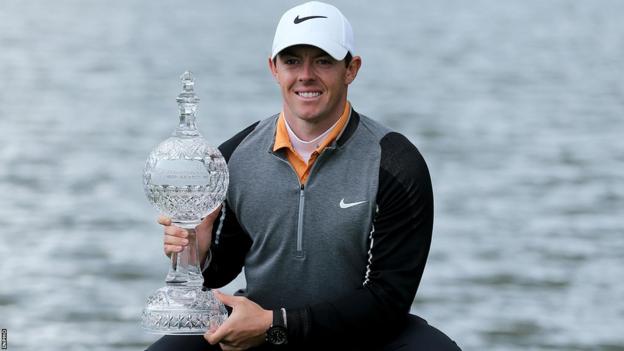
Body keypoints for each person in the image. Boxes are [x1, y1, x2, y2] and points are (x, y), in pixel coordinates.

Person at [146, 1, 461, 350]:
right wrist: (197, 256)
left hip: (359, 336)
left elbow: (388, 300)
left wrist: (277, 325)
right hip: (261, 334)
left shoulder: (396, 164)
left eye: (323, 60)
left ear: (351, 68)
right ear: (273, 68)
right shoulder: (234, 157)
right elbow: (220, 271)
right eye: (292, 60)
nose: (306, 75)